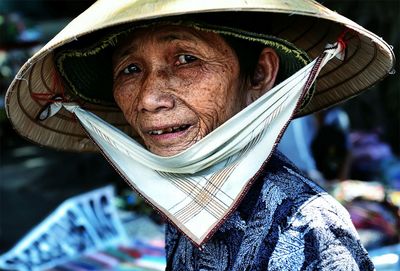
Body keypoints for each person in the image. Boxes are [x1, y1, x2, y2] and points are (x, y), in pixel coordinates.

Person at [5, 1, 395, 270]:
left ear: (259, 74)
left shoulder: (309, 231)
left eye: (187, 59)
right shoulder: (190, 206)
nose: (150, 99)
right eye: (130, 70)